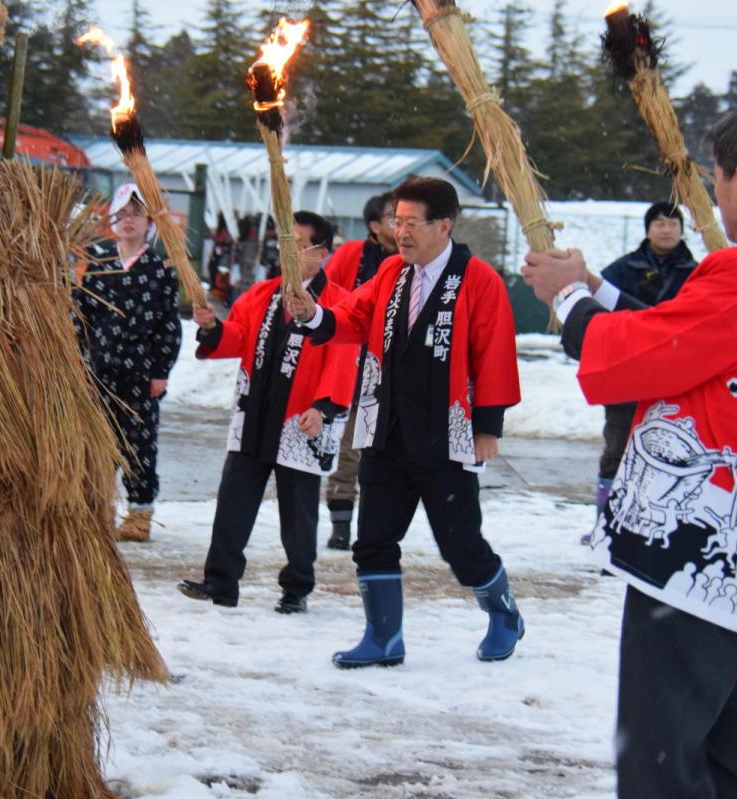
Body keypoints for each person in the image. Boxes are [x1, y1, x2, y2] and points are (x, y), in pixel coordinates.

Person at [521, 100, 737, 799]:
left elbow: (638, 357)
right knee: (735, 740)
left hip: (706, 532)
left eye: (715, 176)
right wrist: (592, 289)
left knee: (664, 748)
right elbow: (693, 341)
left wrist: (566, 300)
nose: (714, 190)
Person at [287, 177, 524, 668]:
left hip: (446, 436)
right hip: (387, 428)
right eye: (397, 221)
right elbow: (350, 316)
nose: (401, 232)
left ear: (444, 225)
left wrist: (488, 428)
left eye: (412, 222)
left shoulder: (479, 280)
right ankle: (384, 637)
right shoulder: (393, 272)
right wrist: (314, 316)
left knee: (460, 546)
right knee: (373, 538)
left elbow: (495, 353)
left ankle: (503, 615)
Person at [178, 212, 359, 614]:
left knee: (298, 511)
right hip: (256, 411)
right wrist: (211, 328)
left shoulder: (338, 303)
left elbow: (344, 357)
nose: (287, 251)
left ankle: (296, 587)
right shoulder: (261, 295)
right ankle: (220, 580)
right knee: (234, 498)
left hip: (301, 419)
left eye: (298, 244)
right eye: (284, 242)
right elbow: (238, 338)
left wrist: (324, 407)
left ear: (321, 253)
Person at [72, 183, 181, 542]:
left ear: (149, 220)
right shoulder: (100, 257)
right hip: (100, 366)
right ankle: (97, 506)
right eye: (122, 213)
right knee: (97, 439)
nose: (128, 220)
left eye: (136, 214)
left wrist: (160, 370)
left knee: (138, 441)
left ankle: (139, 513)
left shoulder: (161, 265)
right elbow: (83, 311)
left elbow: (168, 322)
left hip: (139, 370)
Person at [592, 202, 698, 529]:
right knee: (618, 451)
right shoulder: (622, 271)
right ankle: (607, 524)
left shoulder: (697, 273)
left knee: (671, 453)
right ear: (647, 229)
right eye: (659, 223)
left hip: (677, 380)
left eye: (673, 223)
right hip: (628, 377)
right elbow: (600, 315)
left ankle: (659, 524)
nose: (666, 229)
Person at [322, 191, 398, 550]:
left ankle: (378, 524)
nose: (400, 224)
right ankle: (341, 524)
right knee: (353, 449)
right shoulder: (354, 254)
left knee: (385, 454)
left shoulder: (411, 258)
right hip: (357, 364)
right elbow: (328, 296)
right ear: (374, 225)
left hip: (396, 369)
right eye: (393, 217)